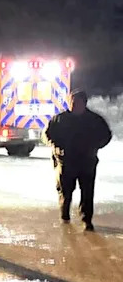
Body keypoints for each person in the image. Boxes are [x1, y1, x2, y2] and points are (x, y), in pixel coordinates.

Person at [43, 89, 113, 231]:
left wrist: (95, 146)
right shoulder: (59, 119)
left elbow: (106, 135)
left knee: (87, 192)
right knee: (65, 191)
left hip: (87, 162)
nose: (74, 105)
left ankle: (86, 220)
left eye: (77, 103)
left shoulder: (94, 120)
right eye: (72, 102)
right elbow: (46, 135)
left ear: (84, 103)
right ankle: (65, 216)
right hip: (65, 162)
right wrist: (56, 147)